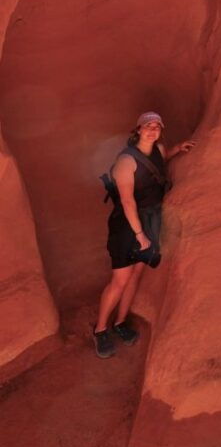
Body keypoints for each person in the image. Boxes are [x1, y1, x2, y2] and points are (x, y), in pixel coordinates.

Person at [92, 112, 195, 358]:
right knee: (120, 280)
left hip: (150, 221)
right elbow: (127, 202)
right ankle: (100, 330)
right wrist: (140, 235)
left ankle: (120, 323)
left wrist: (178, 148)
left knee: (136, 275)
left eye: (157, 126)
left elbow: (160, 159)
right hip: (127, 227)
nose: (152, 130)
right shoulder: (126, 162)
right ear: (137, 130)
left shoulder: (158, 148)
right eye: (147, 126)